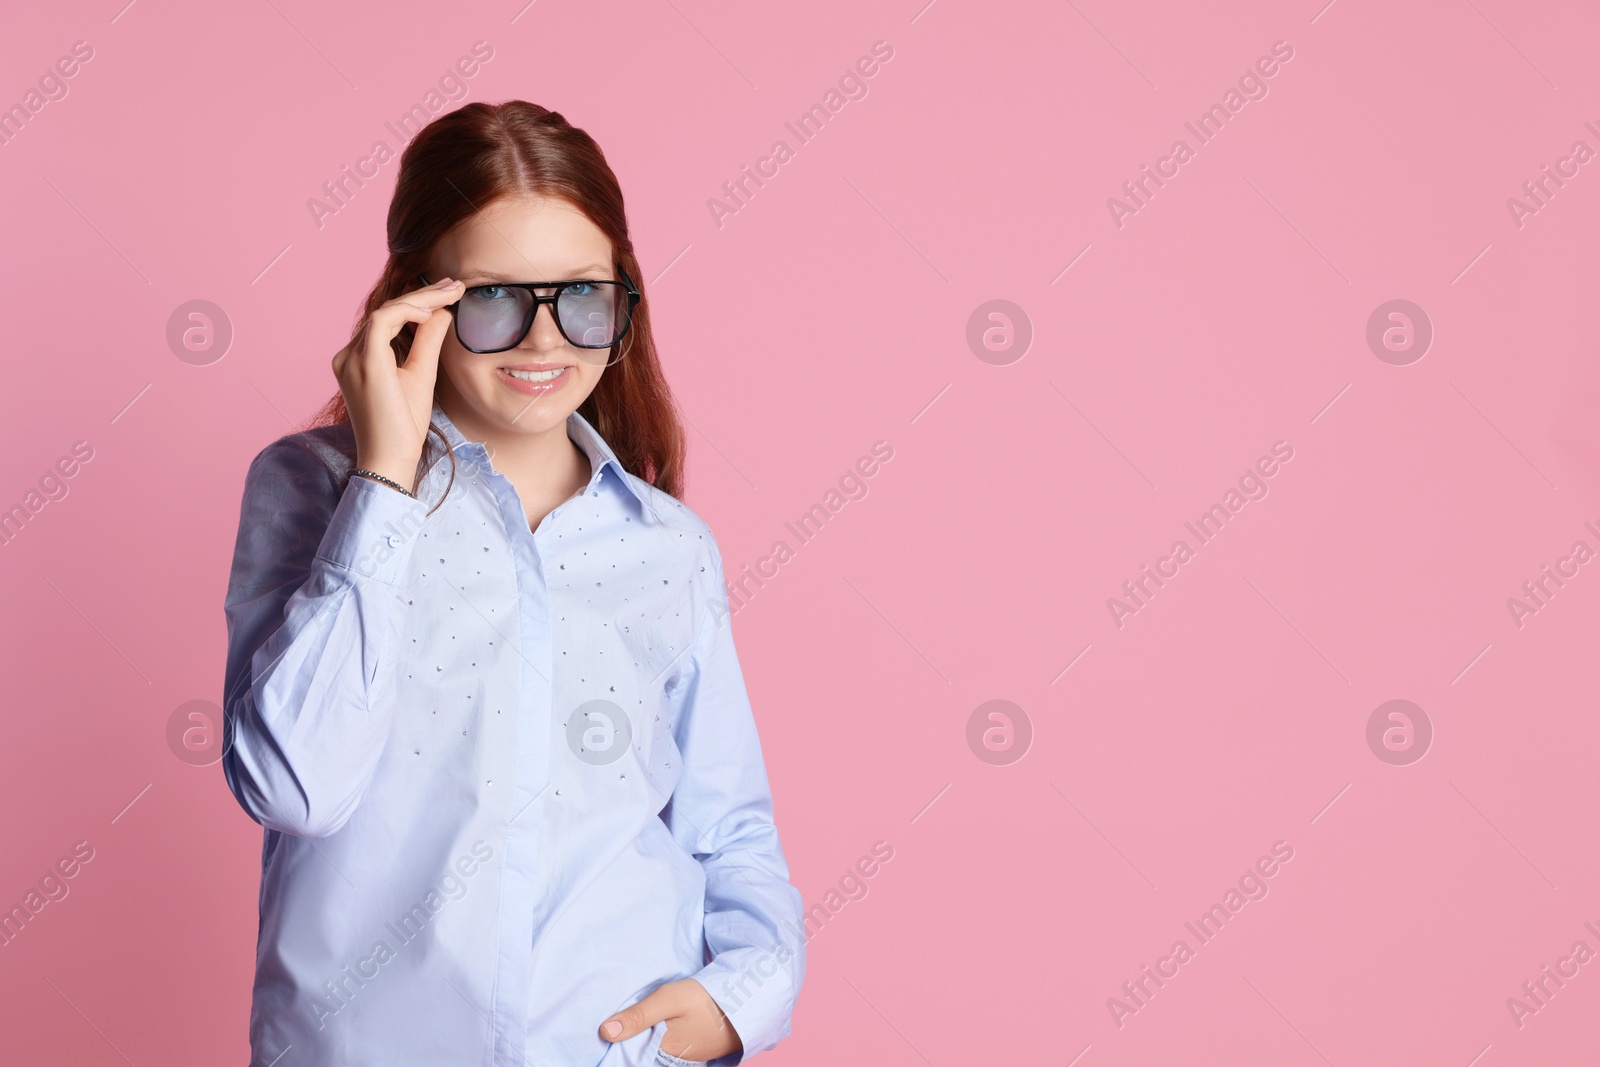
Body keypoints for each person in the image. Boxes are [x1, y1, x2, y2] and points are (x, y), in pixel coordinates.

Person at [219, 100, 805, 1067]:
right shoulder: (309, 490)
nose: (545, 342)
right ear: (417, 302)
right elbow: (292, 785)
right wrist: (383, 486)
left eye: (582, 294)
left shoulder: (669, 546)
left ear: (624, 299)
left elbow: (728, 822)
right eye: (494, 297)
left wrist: (740, 996)